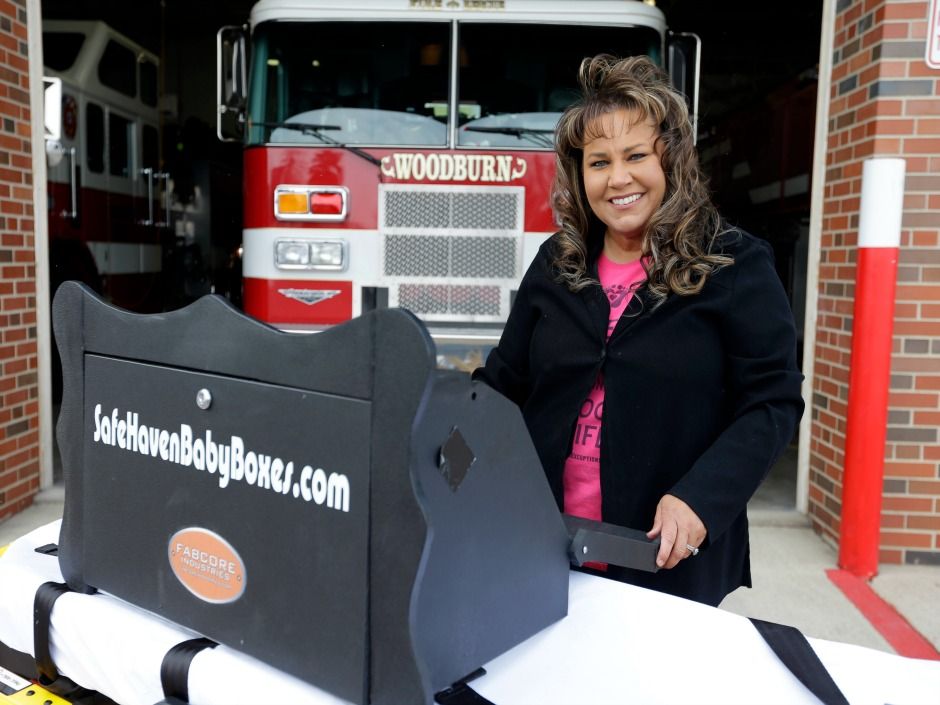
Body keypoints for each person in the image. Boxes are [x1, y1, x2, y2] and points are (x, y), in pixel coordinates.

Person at [473, 55, 804, 606]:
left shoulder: (734, 266)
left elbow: (772, 401)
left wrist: (700, 500)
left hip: (661, 559)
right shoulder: (556, 264)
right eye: (598, 162)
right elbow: (504, 384)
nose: (618, 178)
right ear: (580, 175)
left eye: (635, 156)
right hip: (542, 544)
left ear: (670, 156)